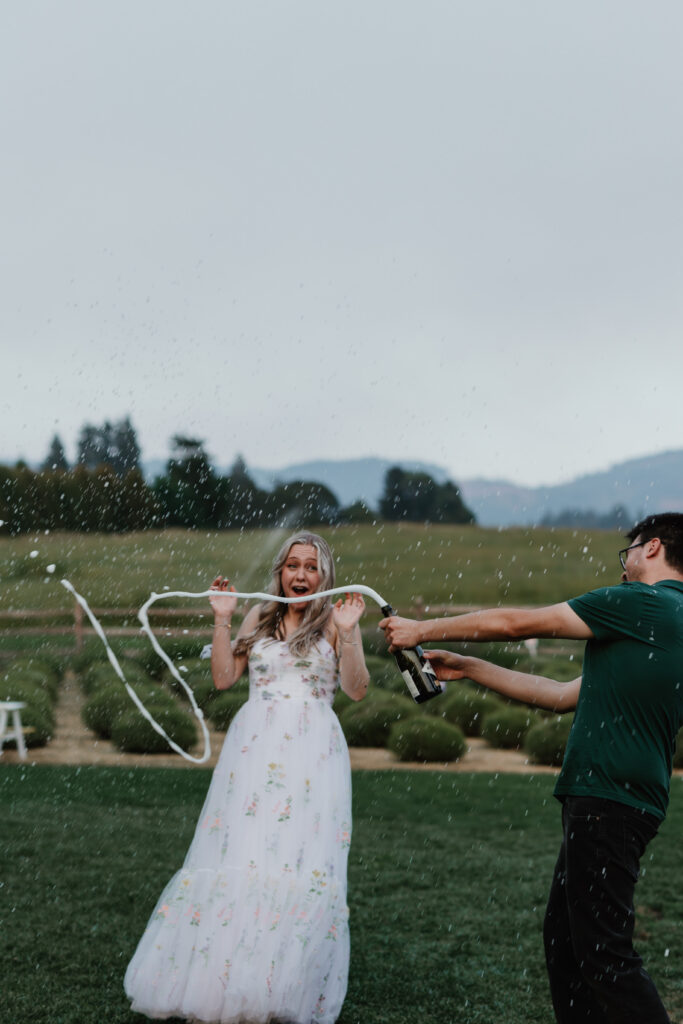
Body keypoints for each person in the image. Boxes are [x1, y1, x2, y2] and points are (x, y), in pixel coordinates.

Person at [380, 512, 683, 1024]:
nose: (624, 565)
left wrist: (420, 628)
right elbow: (559, 695)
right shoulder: (666, 624)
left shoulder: (641, 603)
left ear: (651, 547)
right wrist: (469, 666)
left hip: (608, 797)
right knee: (567, 943)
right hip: (623, 799)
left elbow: (515, 624)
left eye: (628, 551)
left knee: (604, 953)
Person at [125, 531, 370, 1023]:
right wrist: (222, 618)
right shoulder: (260, 615)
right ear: (280, 570)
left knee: (298, 861)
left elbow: (357, 689)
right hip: (254, 748)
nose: (301, 575)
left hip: (312, 755)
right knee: (241, 851)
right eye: (293, 565)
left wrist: (348, 631)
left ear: (325, 575)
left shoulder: (334, 620)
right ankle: (222, 982)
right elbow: (223, 678)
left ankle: (279, 988)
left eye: (312, 567)